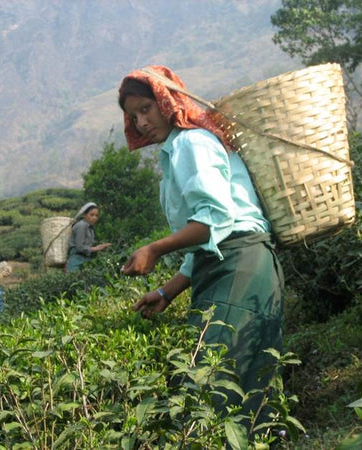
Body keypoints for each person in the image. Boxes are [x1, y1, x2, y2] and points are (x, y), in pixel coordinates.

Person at [117, 65, 284, 423]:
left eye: (146, 109)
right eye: (134, 116)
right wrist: (165, 293)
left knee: (211, 379)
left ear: (167, 101)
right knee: (243, 382)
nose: (142, 122)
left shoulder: (192, 142)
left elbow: (215, 220)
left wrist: (154, 249)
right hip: (227, 264)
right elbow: (205, 245)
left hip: (242, 263)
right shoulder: (175, 152)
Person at [66, 202, 111, 272]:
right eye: (92, 215)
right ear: (85, 215)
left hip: (84, 261)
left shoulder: (90, 228)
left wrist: (100, 247)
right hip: (76, 262)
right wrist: (96, 248)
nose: (94, 218)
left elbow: (87, 246)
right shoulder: (81, 226)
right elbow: (79, 247)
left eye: (96, 215)